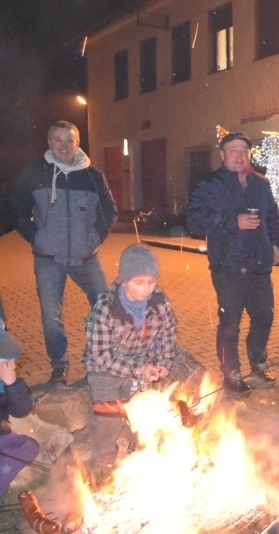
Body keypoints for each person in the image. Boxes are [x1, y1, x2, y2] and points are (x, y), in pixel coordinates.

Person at [16, 120, 117, 385]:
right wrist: (38, 238)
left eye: (68, 140)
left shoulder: (93, 175)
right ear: (49, 143)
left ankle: (98, 361)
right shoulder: (34, 173)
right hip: (49, 259)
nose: (63, 145)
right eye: (58, 140)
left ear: (77, 143)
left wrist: (95, 237)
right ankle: (59, 366)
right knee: (51, 315)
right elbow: (18, 211)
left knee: (105, 309)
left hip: (87, 257)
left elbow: (109, 210)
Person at [187, 132, 279, 394]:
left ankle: (258, 365)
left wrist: (275, 244)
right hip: (228, 267)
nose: (240, 156)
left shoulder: (260, 184)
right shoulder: (209, 184)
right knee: (230, 323)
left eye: (244, 151)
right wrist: (233, 222)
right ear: (222, 155)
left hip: (259, 265)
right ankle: (231, 373)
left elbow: (272, 217)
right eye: (233, 150)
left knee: (264, 316)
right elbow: (194, 218)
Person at [81, 244, 177, 481]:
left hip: (141, 362)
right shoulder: (105, 309)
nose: (146, 289)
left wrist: (162, 363)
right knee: (108, 417)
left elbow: (167, 335)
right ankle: (102, 461)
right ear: (124, 280)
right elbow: (101, 357)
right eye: (139, 282)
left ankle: (145, 452)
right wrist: (137, 370)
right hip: (105, 370)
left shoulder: (159, 303)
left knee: (144, 407)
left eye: (151, 282)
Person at [0, 308, 40, 495]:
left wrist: (12, 383)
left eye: (12, 363)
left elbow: (21, 410)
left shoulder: (6, 383)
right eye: (5, 363)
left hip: (3, 439)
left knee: (28, 446)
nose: (12, 367)